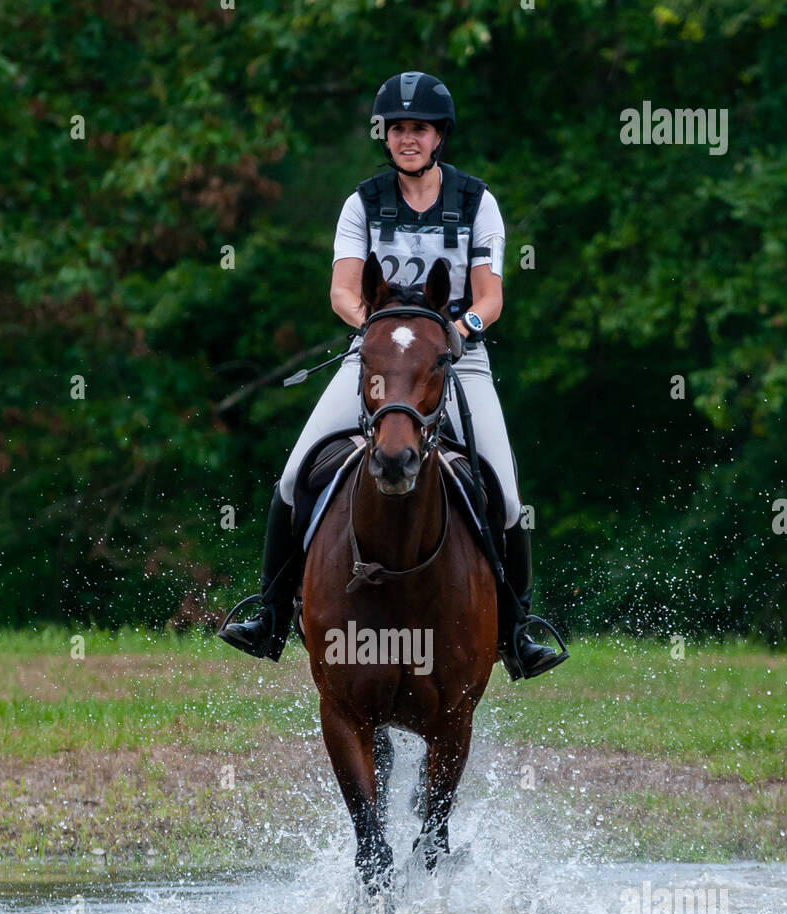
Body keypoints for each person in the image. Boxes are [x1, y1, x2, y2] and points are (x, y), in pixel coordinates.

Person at [219, 71, 567, 679]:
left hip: (457, 357)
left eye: (420, 129)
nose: (408, 138)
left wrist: (456, 335)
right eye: (399, 128)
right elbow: (342, 292)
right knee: (293, 475)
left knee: (507, 498)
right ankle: (271, 614)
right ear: (387, 136)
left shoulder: (477, 202)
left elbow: (490, 297)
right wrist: (376, 331)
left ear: (440, 137)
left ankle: (516, 632)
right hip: (375, 356)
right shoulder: (363, 203)